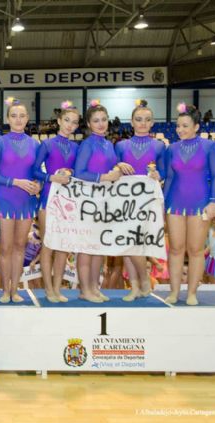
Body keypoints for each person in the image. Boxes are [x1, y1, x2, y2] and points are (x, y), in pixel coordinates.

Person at [164, 103, 215, 305]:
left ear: (196, 126)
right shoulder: (171, 148)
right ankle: (174, 292)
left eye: (185, 125)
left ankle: (192, 294)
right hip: (175, 204)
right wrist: (163, 203)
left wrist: (214, 202)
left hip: (200, 204)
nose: (180, 129)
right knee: (176, 249)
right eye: (178, 126)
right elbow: (169, 178)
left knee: (196, 250)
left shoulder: (209, 146)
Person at [0, 98, 39, 303]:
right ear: (8, 119)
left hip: (26, 202)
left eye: (22, 116)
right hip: (5, 200)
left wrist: (38, 185)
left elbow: (37, 173)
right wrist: (15, 181)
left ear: (27, 119)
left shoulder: (35, 144)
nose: (18, 119)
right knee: (6, 248)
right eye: (14, 115)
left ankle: (15, 290)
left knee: (20, 247)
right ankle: (5, 290)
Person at [114, 99, 166, 302]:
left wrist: (158, 176)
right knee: (127, 244)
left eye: (147, 120)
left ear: (152, 123)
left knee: (139, 244)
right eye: (139, 119)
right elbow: (111, 170)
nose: (143, 123)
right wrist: (119, 164)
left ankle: (143, 280)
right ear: (132, 122)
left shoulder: (160, 146)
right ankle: (135, 286)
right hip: (125, 201)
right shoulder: (121, 146)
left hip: (148, 202)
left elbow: (165, 173)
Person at [73, 100, 124, 303]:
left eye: (104, 120)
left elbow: (110, 168)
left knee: (98, 248)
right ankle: (85, 289)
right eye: (96, 121)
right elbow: (79, 172)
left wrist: (120, 167)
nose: (101, 124)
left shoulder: (108, 144)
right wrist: (103, 178)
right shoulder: (87, 144)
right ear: (89, 123)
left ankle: (94, 287)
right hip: (88, 200)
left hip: (105, 201)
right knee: (86, 248)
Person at [32, 100, 79, 303]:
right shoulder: (47, 144)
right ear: (59, 121)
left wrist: (72, 173)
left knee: (63, 246)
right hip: (48, 199)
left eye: (74, 122)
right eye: (66, 120)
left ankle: (58, 288)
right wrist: (51, 177)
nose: (69, 125)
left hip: (68, 201)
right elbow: (33, 170)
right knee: (49, 245)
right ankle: (48, 289)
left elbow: (80, 172)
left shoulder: (77, 147)